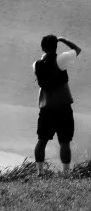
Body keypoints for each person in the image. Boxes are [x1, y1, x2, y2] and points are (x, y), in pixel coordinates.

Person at [35, 33, 82, 176]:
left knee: (42, 141)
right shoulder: (61, 60)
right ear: (56, 47)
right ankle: (66, 173)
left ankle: (40, 172)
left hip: (46, 108)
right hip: (63, 107)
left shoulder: (37, 64)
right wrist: (64, 40)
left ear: (42, 47)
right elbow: (77, 50)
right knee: (65, 141)